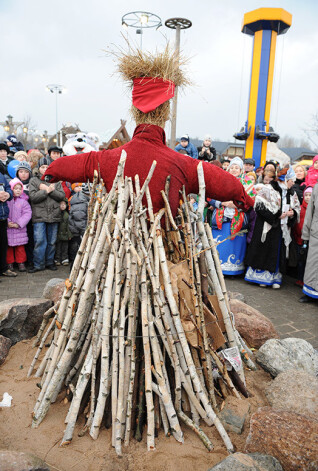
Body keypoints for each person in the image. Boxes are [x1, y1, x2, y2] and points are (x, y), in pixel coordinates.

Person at [43, 48, 254, 219]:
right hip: (162, 247)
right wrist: (245, 199)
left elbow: (80, 164)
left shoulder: (110, 158)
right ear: (165, 112)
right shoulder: (181, 163)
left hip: (121, 247)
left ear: (135, 111)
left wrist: (52, 170)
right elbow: (221, 181)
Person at [245, 166, 300, 288]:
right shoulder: (268, 189)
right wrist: (277, 215)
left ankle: (274, 278)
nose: (294, 182)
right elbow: (259, 206)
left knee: (277, 251)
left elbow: (296, 208)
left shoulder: (291, 193)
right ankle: (261, 277)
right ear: (285, 179)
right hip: (268, 225)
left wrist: (292, 213)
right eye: (292, 180)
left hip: (282, 228)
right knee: (264, 250)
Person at [209, 157, 250, 276]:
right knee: (220, 243)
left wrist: (237, 205)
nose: (234, 169)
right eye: (231, 167)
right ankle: (217, 267)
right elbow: (210, 197)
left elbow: (250, 201)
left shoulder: (247, 183)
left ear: (241, 170)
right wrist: (222, 203)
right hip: (222, 218)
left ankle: (234, 270)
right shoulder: (220, 180)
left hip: (238, 218)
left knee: (235, 244)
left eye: (237, 167)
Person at [28, 157, 65, 273]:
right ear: (38, 168)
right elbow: (33, 197)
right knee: (40, 240)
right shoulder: (34, 181)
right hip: (39, 215)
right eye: (42, 167)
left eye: (47, 167)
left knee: (52, 241)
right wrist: (46, 191)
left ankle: (50, 262)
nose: (45, 169)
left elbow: (61, 196)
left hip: (54, 215)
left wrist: (51, 190)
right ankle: (38, 264)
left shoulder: (56, 180)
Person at [6, 178, 32, 272]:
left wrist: (18, 224)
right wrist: (7, 222)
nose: (18, 190)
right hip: (8, 228)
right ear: (11, 189)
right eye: (15, 188)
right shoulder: (7, 201)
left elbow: (27, 214)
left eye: (19, 189)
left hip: (19, 229)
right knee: (9, 248)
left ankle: (21, 262)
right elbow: (4, 212)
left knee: (20, 247)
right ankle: (9, 263)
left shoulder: (24, 201)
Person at [299, 184, 318, 303]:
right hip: (316, 233)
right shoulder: (317, 187)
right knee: (313, 265)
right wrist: (305, 235)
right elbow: (310, 211)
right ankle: (310, 294)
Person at [293, 186, 312, 287]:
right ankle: (300, 279)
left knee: (308, 262)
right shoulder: (300, 208)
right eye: (306, 195)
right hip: (299, 239)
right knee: (300, 261)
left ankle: (306, 280)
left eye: (310, 195)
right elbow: (296, 223)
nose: (308, 197)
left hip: (310, 240)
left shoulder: (314, 209)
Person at [15, 161, 34, 266]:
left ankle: (30, 259)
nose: (23, 174)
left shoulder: (32, 183)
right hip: (17, 216)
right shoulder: (14, 184)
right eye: (21, 171)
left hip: (30, 216)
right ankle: (19, 261)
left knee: (30, 238)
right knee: (19, 239)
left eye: (26, 171)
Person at [69, 183, 90, 267]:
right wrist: (85, 233)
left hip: (81, 230)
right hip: (80, 232)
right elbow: (80, 221)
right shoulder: (80, 202)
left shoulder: (84, 200)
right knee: (80, 252)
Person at [0, 164, 16, 277]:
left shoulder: (1, 175)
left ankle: (3, 269)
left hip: (2, 216)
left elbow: (9, 189)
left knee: (2, 244)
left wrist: (7, 194)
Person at [56, 199, 72, 266]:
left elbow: (69, 226)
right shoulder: (56, 214)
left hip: (65, 235)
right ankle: (57, 259)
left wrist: (69, 235)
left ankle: (64, 259)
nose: (62, 206)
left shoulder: (67, 215)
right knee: (58, 248)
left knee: (65, 248)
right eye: (61, 204)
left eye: (64, 204)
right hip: (58, 236)